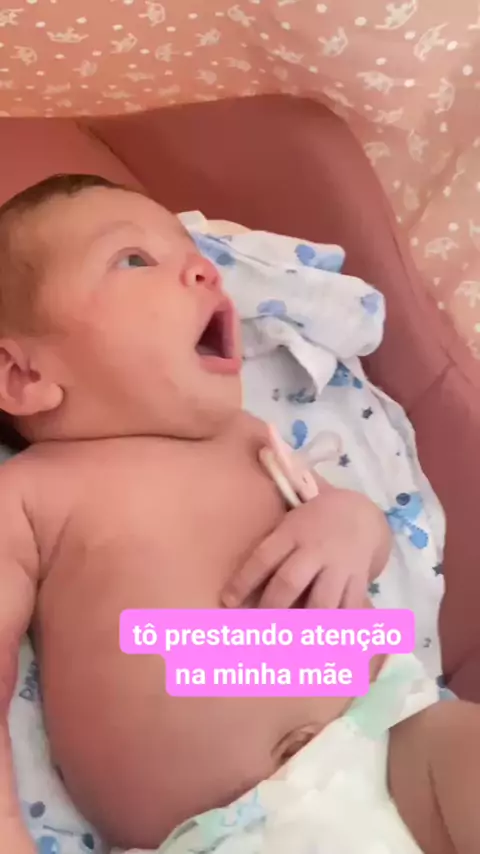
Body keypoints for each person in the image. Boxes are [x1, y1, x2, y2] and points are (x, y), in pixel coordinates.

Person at [0, 174, 476, 854]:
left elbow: (352, 526)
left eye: (193, 253)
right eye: (133, 259)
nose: (204, 270)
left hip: (398, 738)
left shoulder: (249, 437)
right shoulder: (30, 494)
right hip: (224, 834)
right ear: (23, 376)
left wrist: (350, 525)